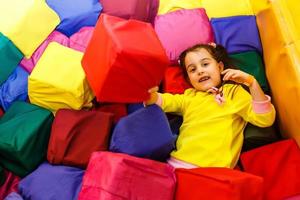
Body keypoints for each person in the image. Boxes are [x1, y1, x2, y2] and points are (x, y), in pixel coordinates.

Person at [146, 43, 276, 169]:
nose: (200, 71)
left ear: (220, 68)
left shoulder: (233, 92)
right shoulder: (190, 96)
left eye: (205, 64)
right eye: (192, 69)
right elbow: (167, 101)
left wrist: (252, 83)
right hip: (178, 164)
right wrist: (149, 94)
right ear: (189, 80)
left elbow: (264, 119)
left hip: (213, 169)